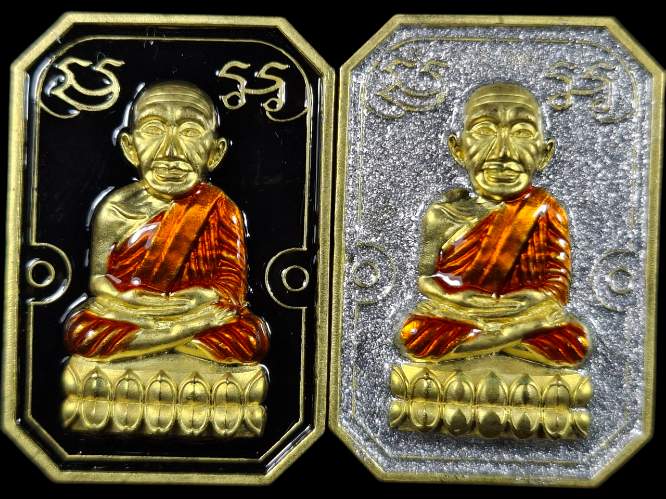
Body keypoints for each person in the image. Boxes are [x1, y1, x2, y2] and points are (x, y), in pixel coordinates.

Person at [64, 81, 269, 364]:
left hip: (194, 309)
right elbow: (99, 280)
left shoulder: (219, 207)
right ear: (130, 147)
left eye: (190, 131)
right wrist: (129, 299)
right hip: (134, 311)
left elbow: (232, 288)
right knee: (82, 331)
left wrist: (201, 297)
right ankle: (180, 336)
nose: (170, 151)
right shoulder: (115, 209)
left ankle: (156, 341)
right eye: (153, 129)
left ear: (215, 152)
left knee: (250, 338)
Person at [397, 82, 589, 367]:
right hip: (460, 312)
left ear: (544, 153)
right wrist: (461, 301)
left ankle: (492, 340)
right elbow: (425, 279)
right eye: (484, 130)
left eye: (522, 132)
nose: (503, 151)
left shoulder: (545, 209)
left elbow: (557, 285)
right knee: (413, 333)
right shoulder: (442, 214)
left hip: (523, 312)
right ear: (458, 149)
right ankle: (511, 338)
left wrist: (531, 301)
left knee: (575, 341)